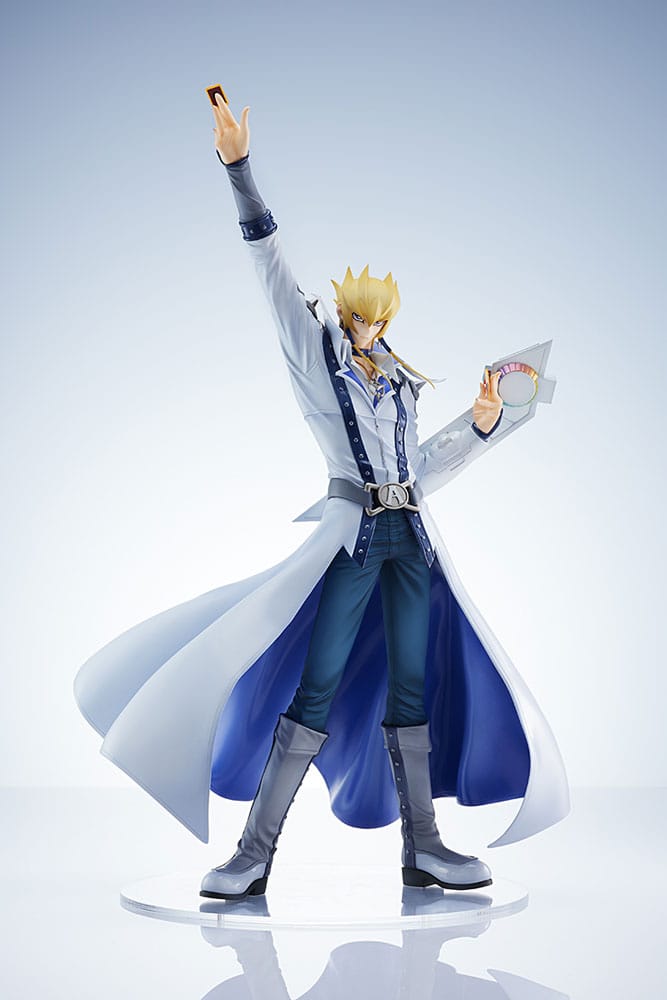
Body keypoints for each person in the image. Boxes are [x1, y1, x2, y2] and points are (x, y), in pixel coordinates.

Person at [72, 90, 569, 906]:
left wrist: (481, 426)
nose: (366, 329)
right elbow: (269, 268)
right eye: (357, 317)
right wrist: (239, 169)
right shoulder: (317, 357)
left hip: (412, 541)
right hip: (355, 540)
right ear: (343, 313)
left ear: (388, 322)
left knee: (412, 687)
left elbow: (418, 469)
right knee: (318, 685)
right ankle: (252, 854)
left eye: (377, 321)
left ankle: (423, 847)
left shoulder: (398, 383)